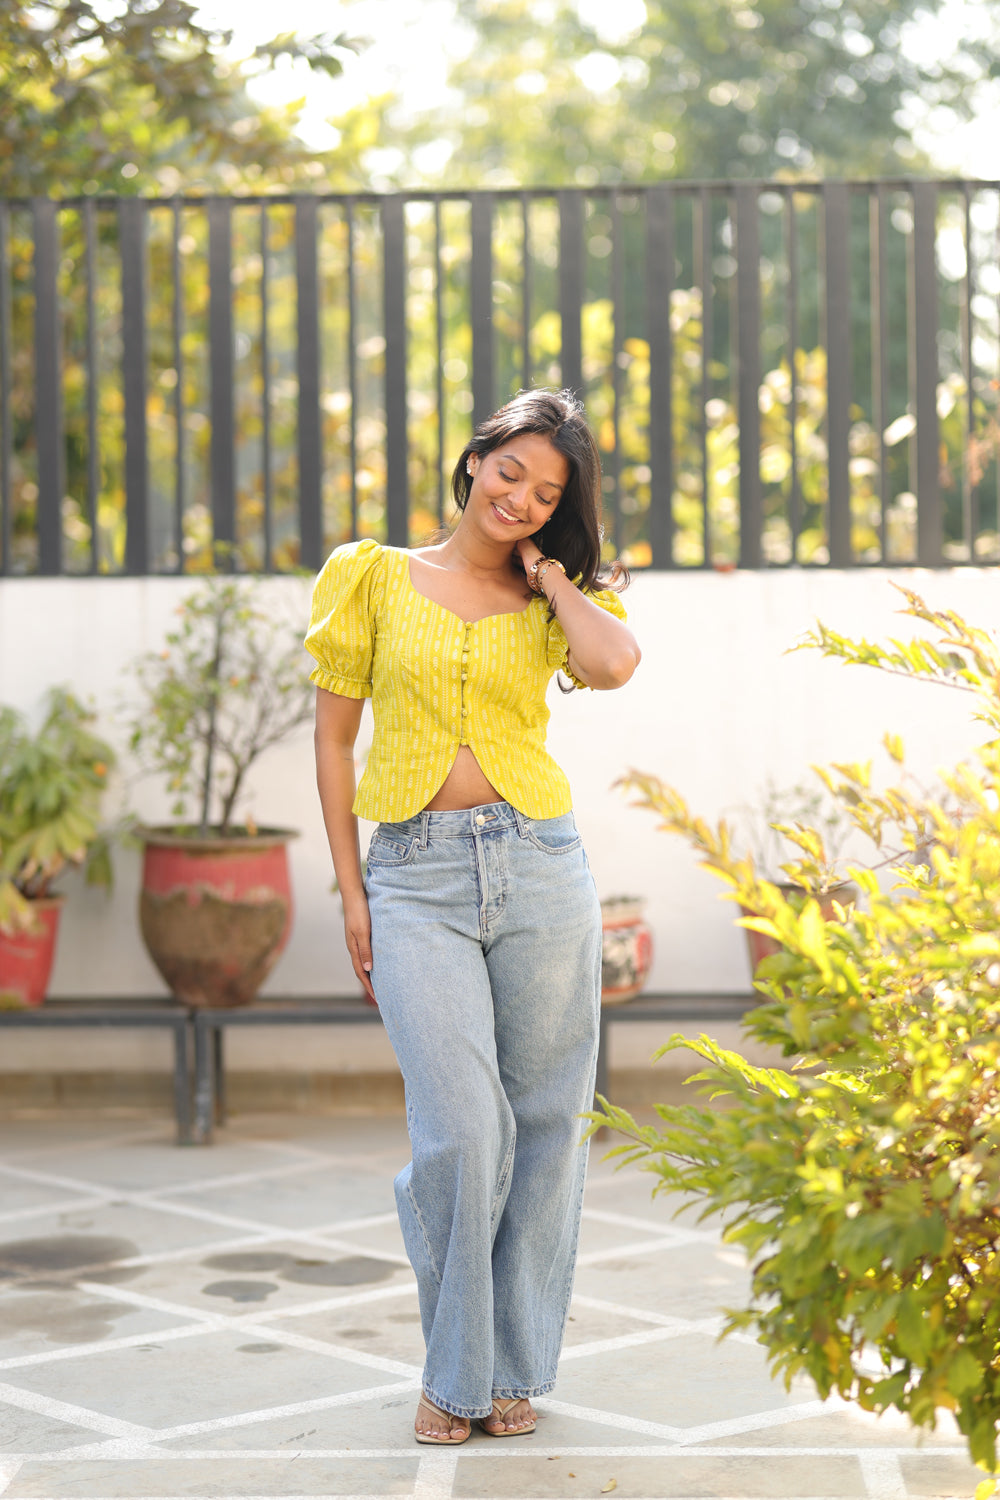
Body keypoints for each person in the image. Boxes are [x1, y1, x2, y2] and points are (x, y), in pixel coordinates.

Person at [305, 387, 641, 1445]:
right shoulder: (371, 575)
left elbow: (615, 664)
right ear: (473, 459)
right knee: (462, 1128)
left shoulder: (548, 595)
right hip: (412, 873)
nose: (522, 500)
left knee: (546, 1122)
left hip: (538, 863)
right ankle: (452, 1371)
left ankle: (509, 1372)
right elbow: (331, 741)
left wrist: (549, 573)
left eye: (548, 495)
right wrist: (350, 892)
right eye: (511, 472)